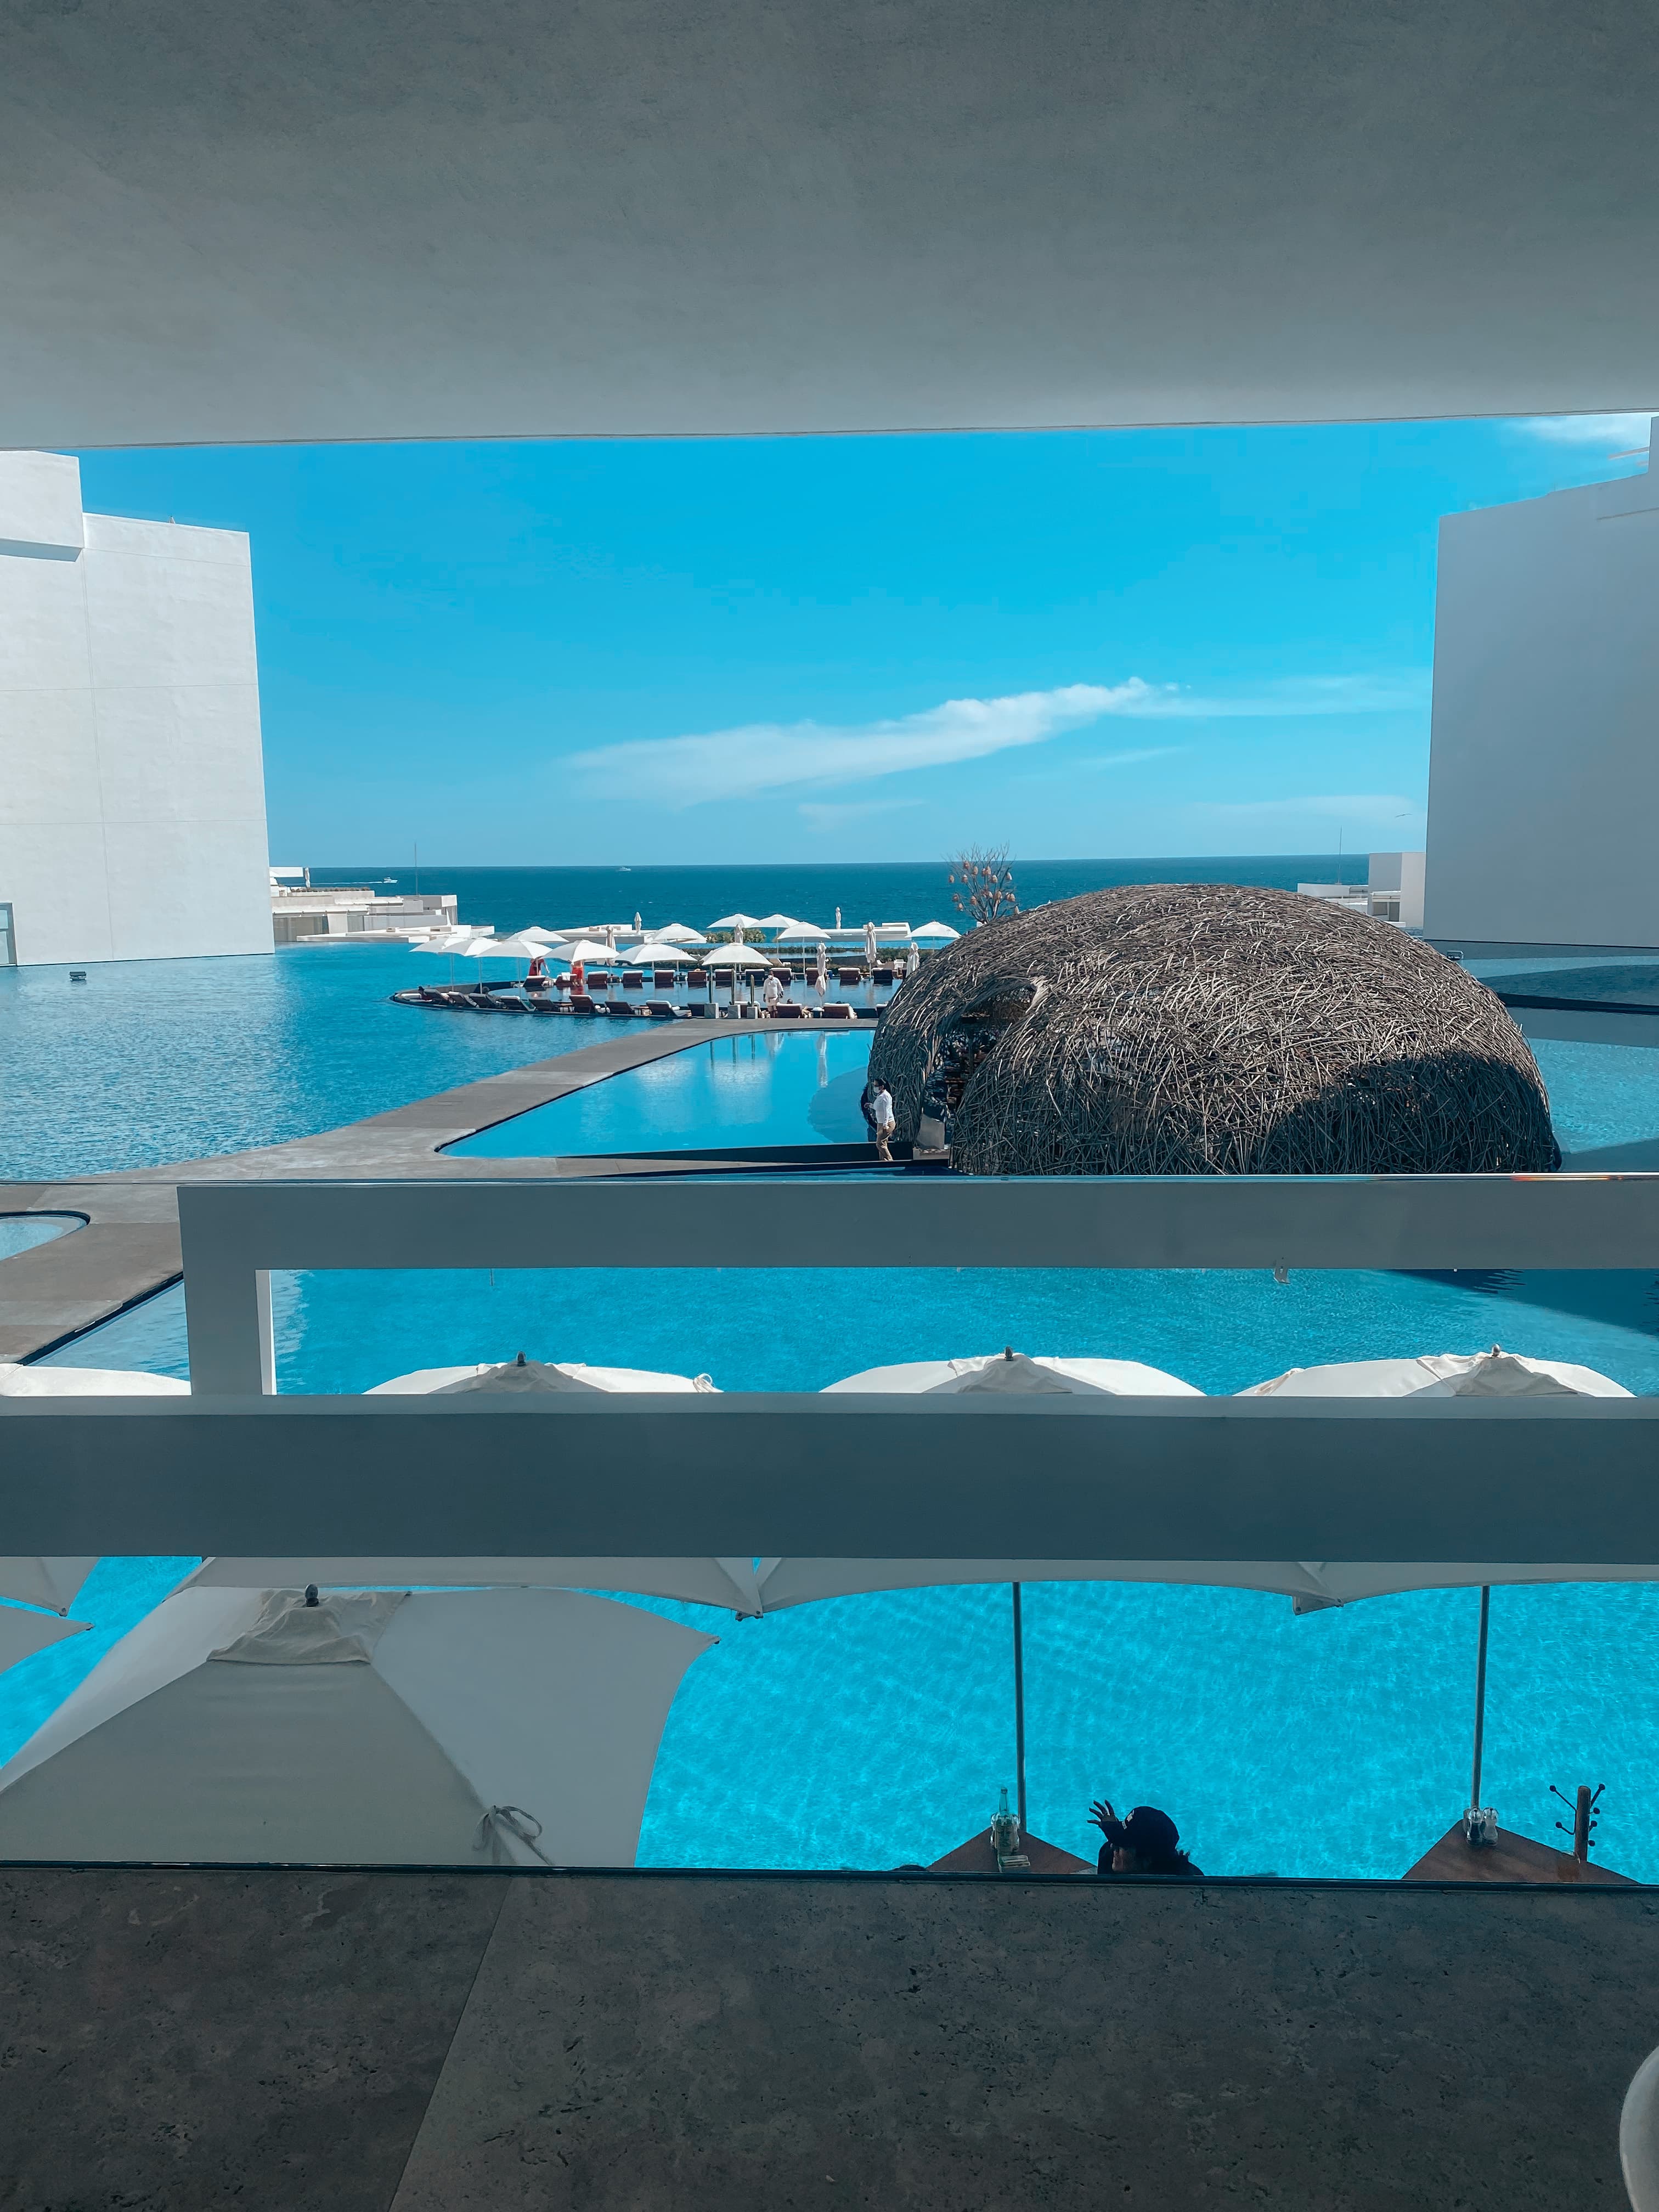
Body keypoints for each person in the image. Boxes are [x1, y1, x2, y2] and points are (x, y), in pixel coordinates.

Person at [1088, 1799, 1201, 1878]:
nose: (1112, 1846)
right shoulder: (1108, 1857)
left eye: (1122, 1846)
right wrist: (1114, 1831)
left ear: (1147, 1861)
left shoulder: (1191, 1886)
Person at [870, 1077, 895, 1163]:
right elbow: (878, 1108)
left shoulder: (885, 1097)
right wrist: (870, 1105)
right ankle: (883, 1161)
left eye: (876, 1086)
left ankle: (890, 1160)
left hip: (887, 1124)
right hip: (880, 1123)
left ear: (882, 1087)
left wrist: (885, 1125)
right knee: (884, 1143)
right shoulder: (880, 1096)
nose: (875, 1087)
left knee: (879, 1143)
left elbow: (886, 1111)